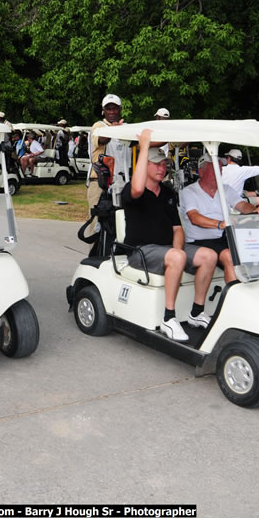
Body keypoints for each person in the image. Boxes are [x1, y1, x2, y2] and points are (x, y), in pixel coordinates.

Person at [121, 129, 218, 341]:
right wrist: (144, 146)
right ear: (144, 165)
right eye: (156, 163)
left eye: (164, 164)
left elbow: (177, 228)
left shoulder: (167, 192)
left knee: (209, 255)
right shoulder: (131, 190)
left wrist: (176, 248)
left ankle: (196, 312)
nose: (162, 167)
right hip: (141, 251)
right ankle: (169, 317)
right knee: (178, 256)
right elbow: (137, 188)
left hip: (167, 250)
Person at [180, 155, 257, 284]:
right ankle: (234, 298)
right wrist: (220, 224)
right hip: (200, 241)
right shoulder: (189, 192)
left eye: (220, 171)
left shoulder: (225, 189)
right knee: (229, 256)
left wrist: (255, 211)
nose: (218, 174)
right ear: (201, 172)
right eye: (214, 170)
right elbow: (194, 218)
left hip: (223, 238)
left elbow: (242, 205)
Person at [86, 94, 131, 237]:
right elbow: (103, 139)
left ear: (120, 109)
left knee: (122, 222)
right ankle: (95, 255)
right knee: (97, 223)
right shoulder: (99, 126)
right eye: (108, 109)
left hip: (123, 182)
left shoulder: (127, 128)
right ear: (103, 111)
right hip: (100, 183)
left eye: (115, 108)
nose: (112, 112)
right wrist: (114, 130)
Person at [223, 148, 259, 214]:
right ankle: (255, 218)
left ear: (229, 159)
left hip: (224, 200)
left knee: (252, 193)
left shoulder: (221, 169)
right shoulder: (243, 170)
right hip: (236, 203)